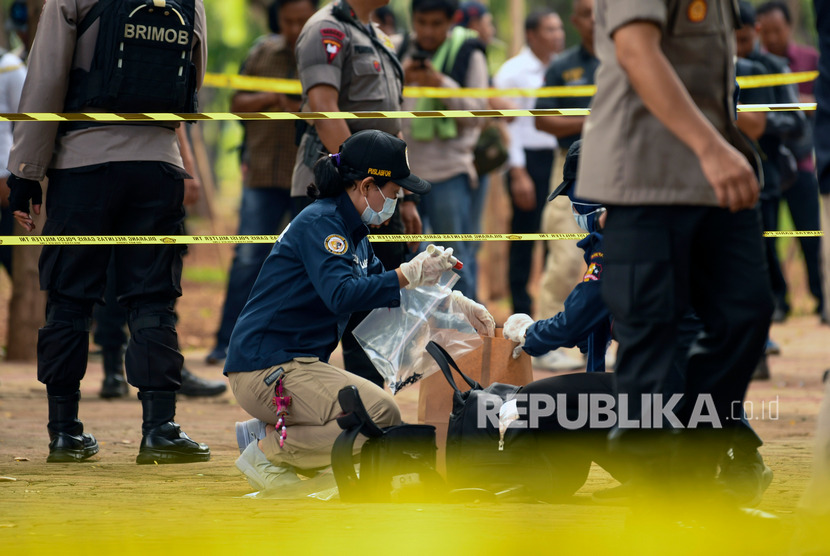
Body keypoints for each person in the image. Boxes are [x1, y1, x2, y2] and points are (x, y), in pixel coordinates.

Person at [579, 0, 773, 511]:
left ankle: (690, 465)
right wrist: (712, 150)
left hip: (715, 172)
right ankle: (656, 505)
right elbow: (637, 52)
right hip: (647, 174)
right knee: (650, 337)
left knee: (745, 313)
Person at [505, 140, 773, 506]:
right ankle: (708, 464)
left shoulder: (620, 245)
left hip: (669, 393)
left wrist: (528, 335)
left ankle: (670, 474)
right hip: (687, 388)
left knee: (536, 401)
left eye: (577, 196)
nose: (574, 207)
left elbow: (575, 320)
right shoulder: (659, 231)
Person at [226, 130, 495, 491]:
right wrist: (408, 272)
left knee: (374, 416)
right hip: (269, 366)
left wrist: (452, 302)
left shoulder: (354, 233)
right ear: (367, 185)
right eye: (394, 193)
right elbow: (343, 295)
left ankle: (277, 431)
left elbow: (382, 292)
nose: (396, 203)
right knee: (381, 415)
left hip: (295, 364)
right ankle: (268, 450)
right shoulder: (322, 223)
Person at [6, 0, 210, 464]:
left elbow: (46, 80)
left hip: (83, 167)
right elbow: (190, 84)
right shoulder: (187, 1)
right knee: (153, 298)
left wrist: (25, 172)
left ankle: (65, 433)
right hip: (158, 167)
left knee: (69, 298)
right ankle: (159, 429)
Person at [292, 0, 422, 388]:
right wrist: (359, 186)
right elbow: (323, 107)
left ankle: (368, 408)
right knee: (327, 303)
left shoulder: (376, 34)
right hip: (342, 190)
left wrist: (405, 195)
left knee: (375, 305)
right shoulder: (325, 30)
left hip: (377, 189)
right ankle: (293, 402)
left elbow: (390, 124)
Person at [205, 0, 317, 366]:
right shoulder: (261, 52)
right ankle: (226, 343)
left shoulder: (323, 57)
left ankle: (298, 349)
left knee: (307, 264)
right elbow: (236, 101)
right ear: (276, 20)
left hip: (309, 181)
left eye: (303, 20)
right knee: (248, 259)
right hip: (263, 174)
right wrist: (272, 98)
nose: (295, 27)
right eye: (288, 20)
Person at [400, 0, 489, 300]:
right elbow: (382, 105)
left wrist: (439, 83)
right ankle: (416, 336)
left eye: (436, 24)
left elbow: (478, 115)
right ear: (412, 19)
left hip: (449, 172)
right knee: (407, 259)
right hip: (403, 175)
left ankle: (467, 337)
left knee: (456, 257)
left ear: (452, 21)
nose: (427, 31)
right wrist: (404, 77)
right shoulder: (399, 50)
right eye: (421, 22)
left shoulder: (469, 52)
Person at [531, 0, 598, 371]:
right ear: (576, 21)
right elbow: (542, 119)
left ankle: (608, 341)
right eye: (587, 13)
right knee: (566, 255)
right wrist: (592, 121)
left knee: (618, 255)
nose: (595, 19)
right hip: (571, 167)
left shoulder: (630, 57)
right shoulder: (562, 66)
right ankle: (547, 342)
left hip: (623, 167)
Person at [757, 1, 825, 324]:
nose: (771, 37)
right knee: (768, 237)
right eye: (765, 31)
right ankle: (779, 302)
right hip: (767, 166)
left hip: (802, 164)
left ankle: (821, 297)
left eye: (777, 30)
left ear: (788, 26)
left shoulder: (812, 61)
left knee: (811, 235)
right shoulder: (754, 66)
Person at [493, 10, 563, 318]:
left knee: (556, 237)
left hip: (558, 160)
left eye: (559, 28)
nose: (558, 35)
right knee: (524, 237)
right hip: (526, 161)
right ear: (532, 34)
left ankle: (551, 314)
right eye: (550, 29)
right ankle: (520, 312)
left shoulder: (563, 69)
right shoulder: (513, 71)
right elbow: (508, 125)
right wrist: (518, 171)